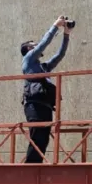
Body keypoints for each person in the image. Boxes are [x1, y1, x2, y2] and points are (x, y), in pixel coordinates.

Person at [21, 16, 73, 163]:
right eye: (33, 45)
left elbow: (60, 55)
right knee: (37, 134)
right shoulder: (28, 60)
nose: (36, 45)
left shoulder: (43, 67)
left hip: (46, 105)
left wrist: (66, 35)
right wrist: (55, 25)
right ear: (28, 49)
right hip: (33, 104)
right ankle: (30, 166)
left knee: (44, 137)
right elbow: (44, 44)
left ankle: (36, 164)